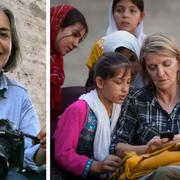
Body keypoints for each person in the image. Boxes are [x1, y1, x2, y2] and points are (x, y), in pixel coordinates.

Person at [54, 52, 137, 179]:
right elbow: (63, 153)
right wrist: (96, 166)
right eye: (119, 82)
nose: (125, 89)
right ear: (100, 82)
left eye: (128, 82)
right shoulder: (79, 109)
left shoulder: (123, 108)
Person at [110, 33, 180, 179]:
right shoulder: (136, 100)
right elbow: (117, 147)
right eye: (153, 67)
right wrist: (147, 148)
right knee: (163, 174)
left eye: (166, 64)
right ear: (146, 70)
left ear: (178, 62)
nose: (160, 73)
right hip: (148, 172)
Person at [0, 4, 46, 180]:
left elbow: (28, 156)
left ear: (12, 44)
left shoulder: (18, 96)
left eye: (2, 34)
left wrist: (44, 148)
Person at [50, 4, 88, 120]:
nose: (76, 44)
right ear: (57, 24)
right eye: (75, 34)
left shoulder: (56, 62)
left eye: (79, 40)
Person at [86, 0, 145, 69]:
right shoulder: (100, 46)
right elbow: (93, 78)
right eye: (119, 10)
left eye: (132, 11)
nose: (125, 15)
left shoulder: (147, 46)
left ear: (141, 16)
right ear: (112, 14)